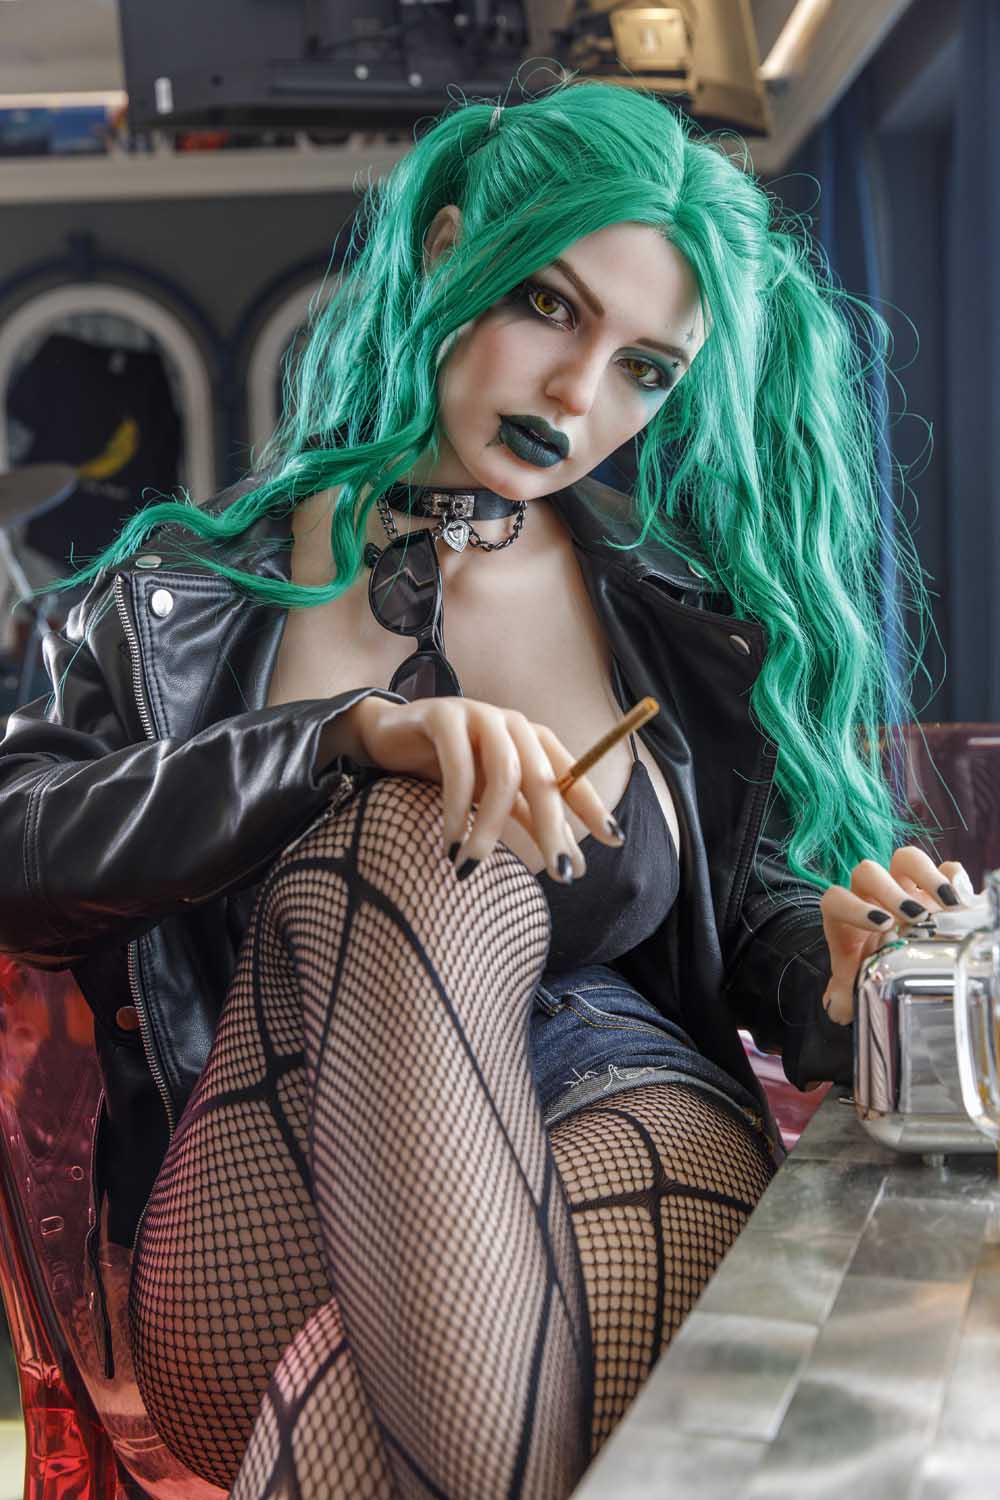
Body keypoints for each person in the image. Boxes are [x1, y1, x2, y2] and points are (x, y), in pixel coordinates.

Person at [0, 72, 971, 1500]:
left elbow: (746, 911)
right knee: (403, 824)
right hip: (278, 1173)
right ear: (449, 251)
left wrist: (832, 971)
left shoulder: (681, 622)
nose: (579, 396)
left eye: (647, 369)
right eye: (551, 308)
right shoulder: (177, 599)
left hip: (617, 1113)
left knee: (353, 1431)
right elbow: (20, 846)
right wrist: (333, 741)